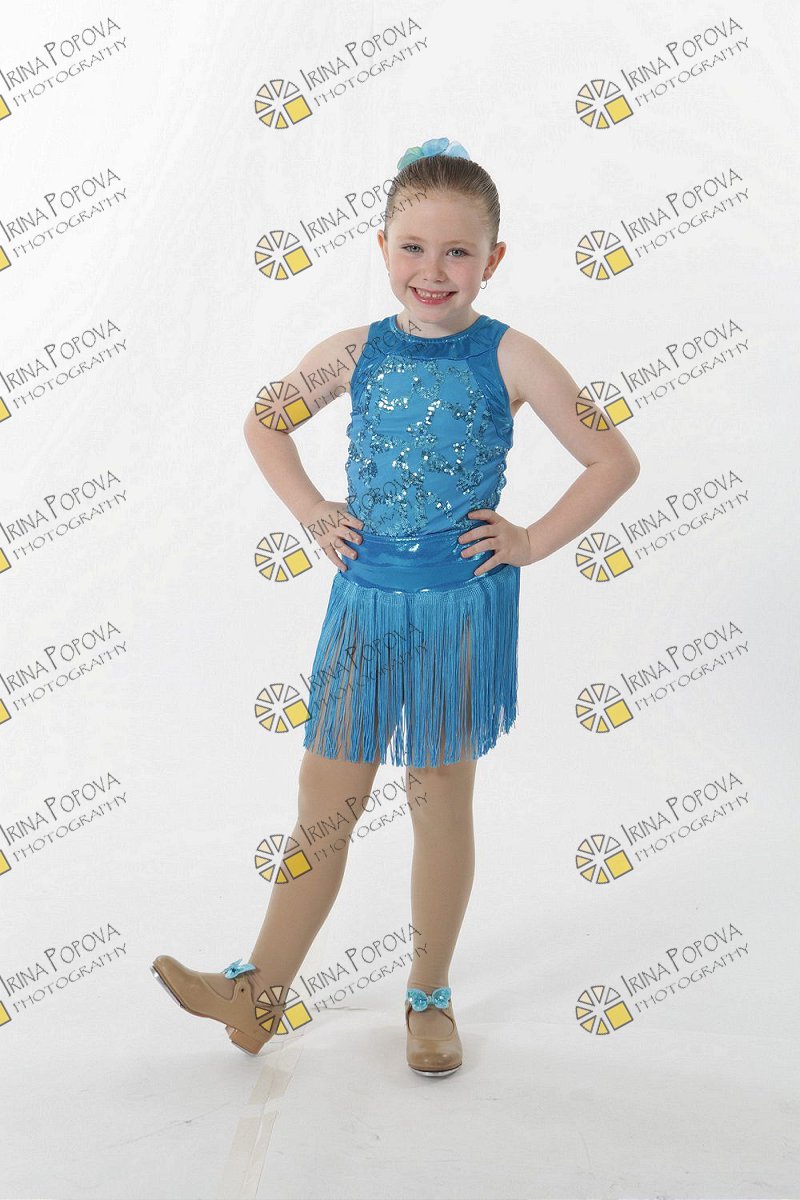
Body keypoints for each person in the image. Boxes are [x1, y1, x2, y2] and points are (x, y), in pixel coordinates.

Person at [151, 136, 640, 1074]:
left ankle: (429, 996)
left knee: (439, 795)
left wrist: (530, 540)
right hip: (364, 605)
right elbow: (266, 421)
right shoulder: (354, 352)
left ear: (493, 259)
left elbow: (612, 459)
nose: (433, 270)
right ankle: (258, 992)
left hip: (459, 609)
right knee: (324, 799)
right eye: (413, 248)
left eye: (458, 252)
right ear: (382, 248)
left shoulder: (512, 356)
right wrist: (313, 512)